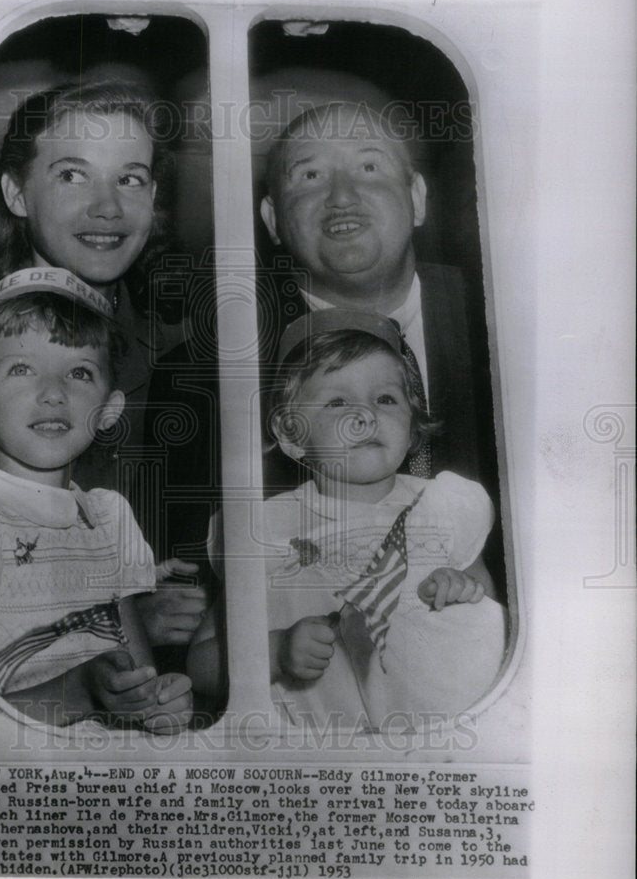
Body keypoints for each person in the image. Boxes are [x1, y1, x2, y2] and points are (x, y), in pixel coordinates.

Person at [0, 80, 209, 658]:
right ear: (17, 192)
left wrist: (165, 598)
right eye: (72, 175)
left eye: (129, 179)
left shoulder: (185, 361)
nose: (108, 207)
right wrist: (117, 615)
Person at [188, 310, 506, 730]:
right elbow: (201, 664)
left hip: (437, 738)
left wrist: (462, 588)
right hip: (313, 751)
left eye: (386, 399)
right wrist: (277, 650)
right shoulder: (264, 528)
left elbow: (497, 627)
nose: (365, 415)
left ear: (412, 427)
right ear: (291, 432)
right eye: (338, 401)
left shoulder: (444, 506)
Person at [0, 267, 192, 732]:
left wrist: (157, 704)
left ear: (109, 411)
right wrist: (84, 689)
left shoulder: (108, 515)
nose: (52, 393)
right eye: (21, 369)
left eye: (79, 372)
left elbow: (135, 679)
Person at [258, 100, 497, 492]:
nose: (342, 197)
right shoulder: (224, 369)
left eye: (369, 167)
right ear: (273, 220)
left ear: (417, 197)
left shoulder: (500, 321)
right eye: (311, 174)